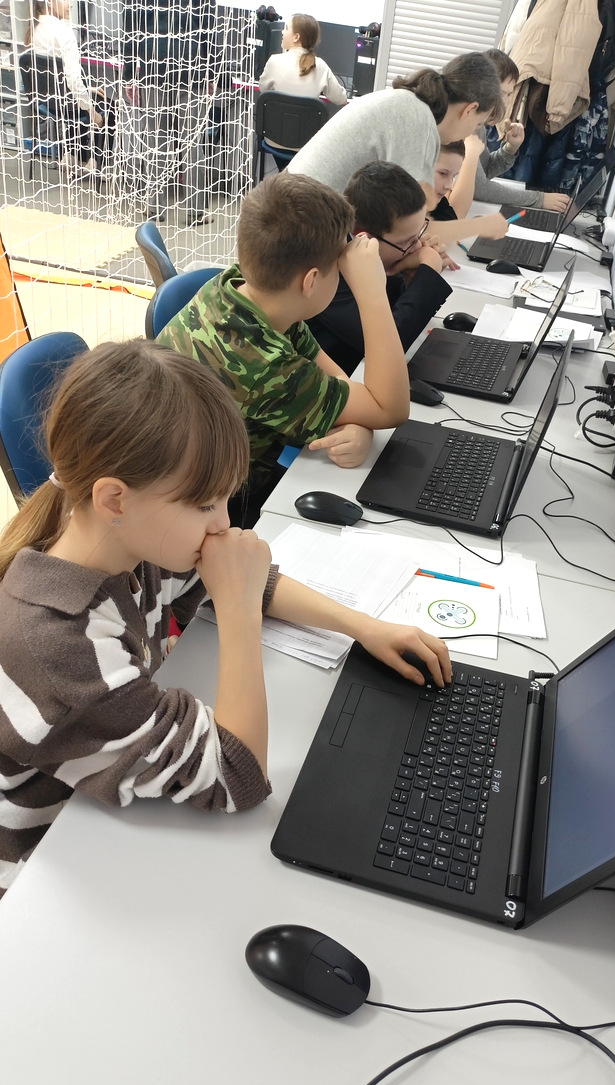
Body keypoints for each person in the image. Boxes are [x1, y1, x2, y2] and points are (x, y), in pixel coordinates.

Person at [0, 340, 450, 900]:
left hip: (107, 817)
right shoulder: (54, 644)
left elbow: (250, 581)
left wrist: (362, 626)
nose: (222, 524)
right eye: (204, 504)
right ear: (114, 499)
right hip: (47, 874)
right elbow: (239, 775)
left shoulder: (126, 543)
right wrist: (237, 612)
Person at [157, 171, 410, 526]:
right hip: (210, 511)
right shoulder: (263, 364)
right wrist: (372, 293)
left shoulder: (240, 289)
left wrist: (360, 420)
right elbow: (392, 408)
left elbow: (345, 385)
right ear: (310, 281)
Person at [286, 51, 503, 197]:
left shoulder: (412, 105)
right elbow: (407, 221)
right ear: (470, 109)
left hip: (292, 198)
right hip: (299, 217)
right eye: (479, 124)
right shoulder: (419, 122)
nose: (474, 131)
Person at [307, 161, 454, 376]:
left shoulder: (379, 252)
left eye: (419, 234)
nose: (418, 247)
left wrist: (410, 279)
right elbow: (390, 344)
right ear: (365, 239)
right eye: (407, 241)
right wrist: (429, 271)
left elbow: (392, 310)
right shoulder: (327, 271)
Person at [120, 0, 219, 225]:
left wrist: (129, 75)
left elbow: (131, 30)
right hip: (191, 68)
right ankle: (196, 212)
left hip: (154, 65)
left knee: (156, 140)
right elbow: (209, 30)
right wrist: (211, 73)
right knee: (192, 143)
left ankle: (155, 207)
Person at [474, 48, 569, 212]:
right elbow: (478, 187)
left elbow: (484, 170)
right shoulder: (465, 128)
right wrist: (539, 199)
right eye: (503, 94)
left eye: (509, 95)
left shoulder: (478, 126)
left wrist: (510, 148)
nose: (506, 102)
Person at [25, 0, 103, 172]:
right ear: (49, 3)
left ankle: (71, 155)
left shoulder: (34, 31)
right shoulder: (64, 33)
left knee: (81, 99)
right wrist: (92, 112)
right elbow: (73, 81)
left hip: (47, 102)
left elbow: (54, 79)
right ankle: (97, 165)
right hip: (66, 103)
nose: (70, 4)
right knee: (107, 106)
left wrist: (88, 90)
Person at [258, 14, 348, 106]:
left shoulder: (274, 61)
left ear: (296, 37)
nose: (282, 32)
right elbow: (341, 99)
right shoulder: (320, 66)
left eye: (287, 29)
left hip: (277, 115)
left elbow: (262, 89)